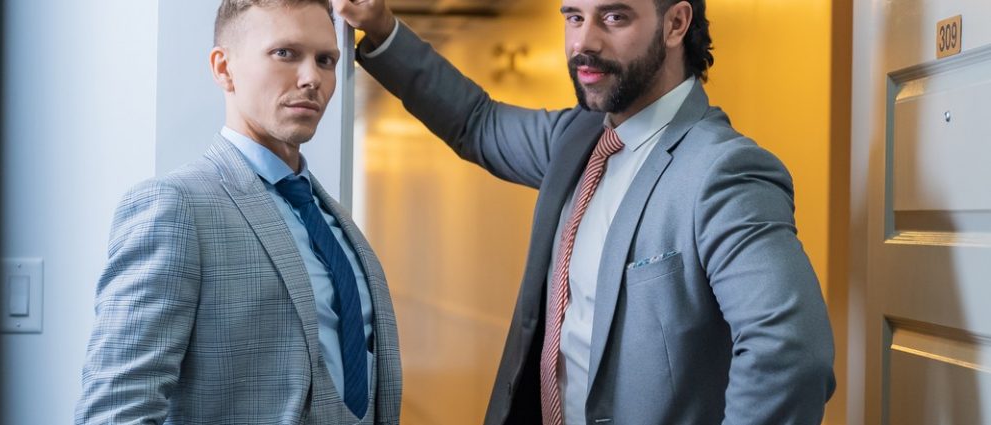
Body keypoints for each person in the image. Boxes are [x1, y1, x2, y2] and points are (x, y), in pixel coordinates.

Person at [335, 0, 835, 423]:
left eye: (614, 17)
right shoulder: (577, 138)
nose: (583, 43)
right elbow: (477, 122)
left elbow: (789, 353)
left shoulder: (722, 171)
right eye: (574, 17)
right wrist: (380, 27)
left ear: (676, 24)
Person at [75, 1, 401, 423]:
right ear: (223, 68)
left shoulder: (336, 221)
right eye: (285, 53)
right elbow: (117, 410)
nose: (311, 78)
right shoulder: (175, 206)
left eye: (325, 60)